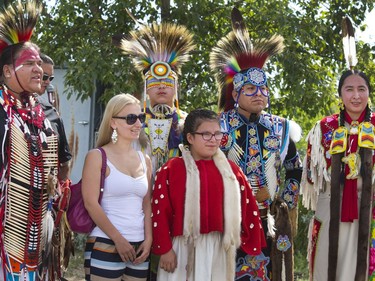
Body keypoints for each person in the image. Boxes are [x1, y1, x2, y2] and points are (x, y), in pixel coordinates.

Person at [210, 8, 302, 280]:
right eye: (251, 89)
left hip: (268, 219)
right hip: (225, 219)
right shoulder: (218, 125)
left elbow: (294, 169)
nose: (259, 94)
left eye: (263, 89)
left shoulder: (281, 128)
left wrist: (282, 202)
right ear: (236, 93)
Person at [118, 20, 195, 280]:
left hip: (179, 210)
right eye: (154, 82)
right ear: (145, 88)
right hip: (136, 208)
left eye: (167, 82)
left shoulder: (190, 124)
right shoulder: (132, 122)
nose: (161, 87)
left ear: (176, 88)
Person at [151, 108, 266, 281]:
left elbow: (248, 206)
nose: (213, 140)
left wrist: (248, 241)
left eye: (217, 134)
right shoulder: (172, 169)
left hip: (220, 248)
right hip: (181, 248)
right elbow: (159, 211)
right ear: (190, 138)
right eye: (206, 134)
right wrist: (165, 249)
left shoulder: (231, 171)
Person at [0, 1, 62, 280]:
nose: (39, 69)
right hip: (6, 231)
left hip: (34, 232)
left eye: (39, 63)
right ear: (7, 72)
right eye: (29, 63)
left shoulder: (41, 115)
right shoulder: (3, 113)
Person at [301, 69, 374, 280]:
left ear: (369, 92)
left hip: (369, 210)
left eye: (362, 89)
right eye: (349, 89)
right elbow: (311, 177)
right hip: (331, 207)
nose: (356, 96)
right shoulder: (323, 128)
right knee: (325, 267)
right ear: (340, 94)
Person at [82, 93, 152, 280]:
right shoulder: (97, 156)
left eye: (141, 117)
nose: (138, 123)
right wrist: (119, 240)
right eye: (130, 118)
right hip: (105, 243)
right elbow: (91, 204)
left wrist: (149, 238)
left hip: (139, 248)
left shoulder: (145, 160)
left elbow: (147, 204)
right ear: (113, 122)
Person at [37, 53, 72, 181]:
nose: (47, 81)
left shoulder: (52, 112)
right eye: (44, 77)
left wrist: (58, 191)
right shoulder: (8, 106)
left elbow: (64, 161)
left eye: (50, 78)